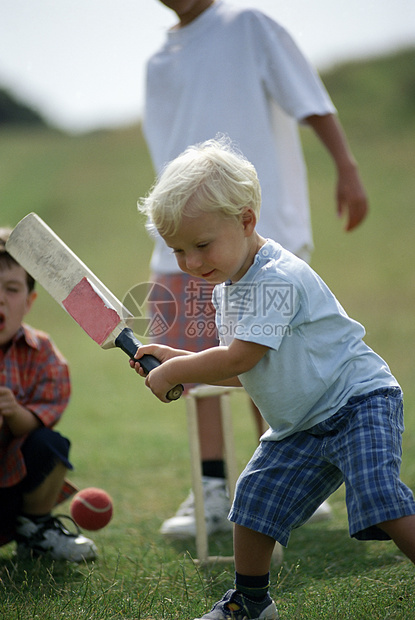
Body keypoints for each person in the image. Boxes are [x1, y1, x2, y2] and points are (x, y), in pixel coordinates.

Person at [133, 139, 415, 620]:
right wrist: (178, 355)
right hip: (301, 423)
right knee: (254, 501)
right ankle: (250, 602)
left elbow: (239, 358)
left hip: (356, 403)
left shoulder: (275, 278)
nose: (193, 263)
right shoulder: (230, 286)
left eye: (202, 245)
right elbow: (252, 367)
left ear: (246, 221)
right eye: (178, 251)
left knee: (378, 494)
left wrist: (181, 368)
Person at [143, 0, 368, 538]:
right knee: (202, 356)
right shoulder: (157, 61)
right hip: (188, 240)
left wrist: (347, 167)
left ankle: (297, 482)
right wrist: (176, 243)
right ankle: (213, 489)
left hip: (249, 236)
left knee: (263, 359)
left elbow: (308, 99)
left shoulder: (246, 24)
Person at [0, 227, 97, 562]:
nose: (0, 298)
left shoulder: (42, 353)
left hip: (12, 490)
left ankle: (35, 527)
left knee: (51, 443)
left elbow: (40, 419)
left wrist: (13, 412)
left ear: (29, 301)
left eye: (11, 289)